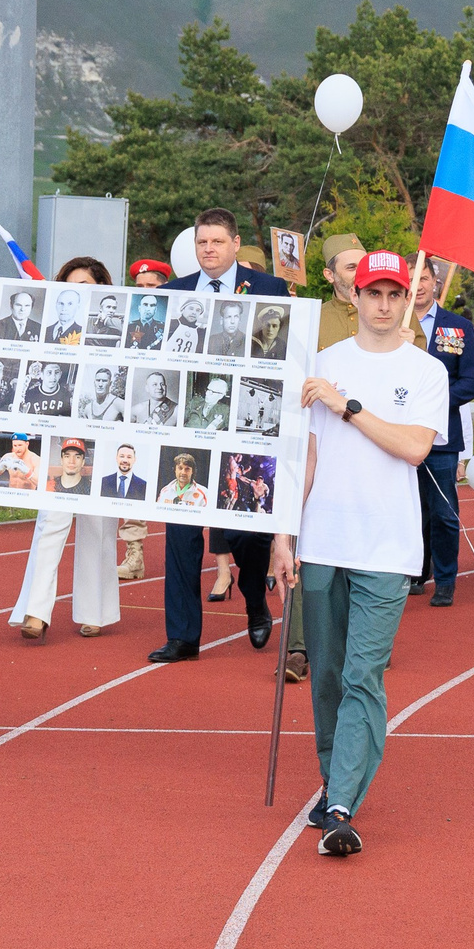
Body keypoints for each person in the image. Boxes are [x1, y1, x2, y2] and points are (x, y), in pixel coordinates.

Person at [269, 249, 447, 857]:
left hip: (389, 546)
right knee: (324, 674)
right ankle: (332, 776)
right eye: (373, 292)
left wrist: (346, 405)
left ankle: (342, 801)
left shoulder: (426, 371)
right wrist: (282, 536)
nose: (383, 303)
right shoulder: (320, 364)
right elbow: (304, 462)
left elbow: (415, 449)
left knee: (362, 674)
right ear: (354, 296)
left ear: (408, 299)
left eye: (395, 294)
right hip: (322, 540)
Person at [153, 209, 291, 664]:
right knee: (182, 533)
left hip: (246, 431)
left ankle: (254, 599)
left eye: (217, 242)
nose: (209, 250)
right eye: (201, 243)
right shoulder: (174, 294)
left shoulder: (270, 290)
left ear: (235, 245)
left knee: (247, 533)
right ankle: (183, 636)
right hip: (187, 427)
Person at [408, 262, 474, 606]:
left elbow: (473, 380)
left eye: (423, 278)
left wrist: (437, 401)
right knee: (409, 508)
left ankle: (446, 578)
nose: (417, 285)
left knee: (442, 511)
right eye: (410, 279)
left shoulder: (457, 326)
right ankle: (415, 572)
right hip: (397, 435)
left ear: (435, 282)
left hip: (440, 437)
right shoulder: (390, 323)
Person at [9, 436, 119, 641]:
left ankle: (93, 611)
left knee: (97, 526)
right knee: (49, 524)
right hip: (63, 422)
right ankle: (35, 609)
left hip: (105, 433)